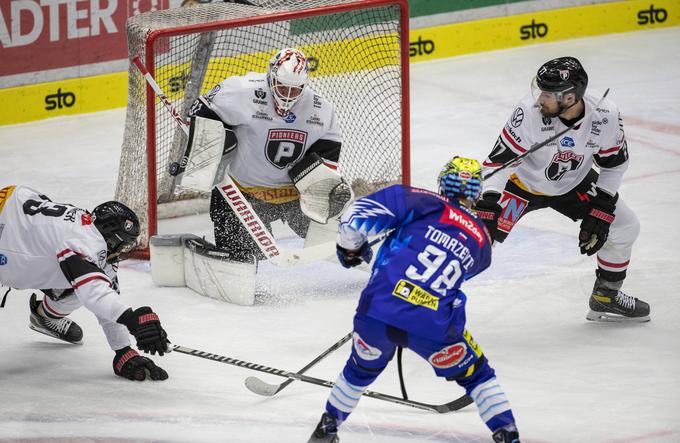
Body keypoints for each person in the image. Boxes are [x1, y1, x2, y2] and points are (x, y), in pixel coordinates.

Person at [308, 157, 521, 443]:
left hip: (376, 314)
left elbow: (357, 214)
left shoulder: (420, 200)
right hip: (433, 326)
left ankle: (327, 429)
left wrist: (351, 250)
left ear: (442, 181)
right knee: (478, 375)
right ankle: (508, 435)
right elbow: (456, 278)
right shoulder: (483, 241)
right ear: (477, 193)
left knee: (359, 370)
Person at [475, 56, 647, 322]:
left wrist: (602, 207)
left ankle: (606, 296)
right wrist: (487, 204)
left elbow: (614, 165)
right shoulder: (529, 113)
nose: (540, 98)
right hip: (519, 185)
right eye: (540, 90)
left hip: (573, 183)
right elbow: (498, 164)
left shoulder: (604, 115)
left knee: (625, 226)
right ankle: (424, 302)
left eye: (548, 94)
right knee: (475, 239)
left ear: (570, 98)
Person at [187, 47, 351, 262]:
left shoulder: (321, 110)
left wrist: (322, 189)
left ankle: (365, 253)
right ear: (271, 77)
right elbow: (200, 113)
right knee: (247, 257)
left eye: (295, 89)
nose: (288, 95)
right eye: (283, 87)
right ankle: (239, 258)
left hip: (295, 195)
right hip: (242, 193)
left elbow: (327, 155)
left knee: (337, 236)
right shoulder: (241, 91)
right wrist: (213, 147)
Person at [0, 185, 171, 381]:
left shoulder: (91, 232)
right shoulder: (85, 241)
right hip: (7, 232)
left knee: (79, 287)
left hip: (16, 205)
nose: (124, 251)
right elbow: (94, 294)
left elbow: (106, 297)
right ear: (113, 240)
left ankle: (43, 316)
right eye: (125, 245)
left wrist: (124, 351)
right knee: (85, 283)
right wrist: (132, 320)